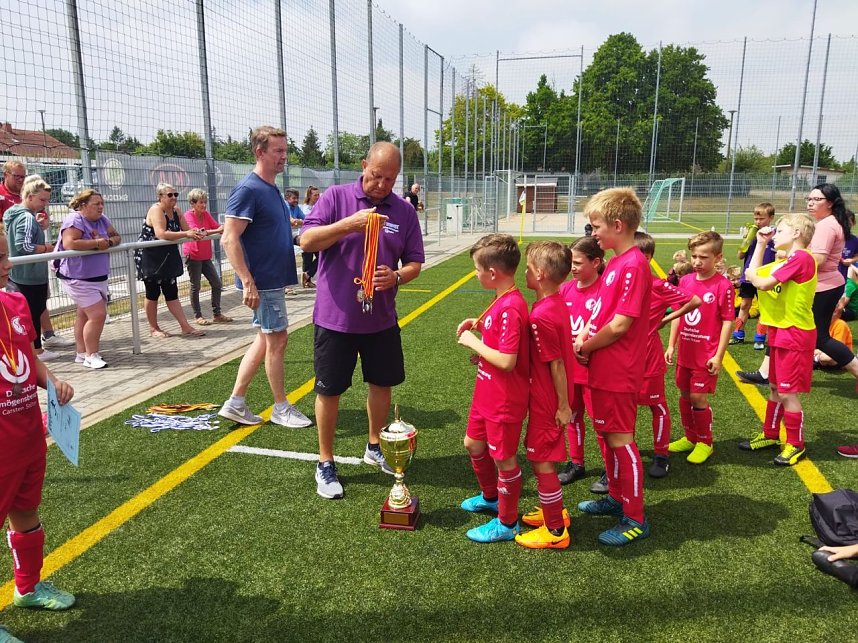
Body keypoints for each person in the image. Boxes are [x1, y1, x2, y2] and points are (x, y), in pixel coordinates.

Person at [300, 141, 425, 500]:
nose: (382, 185)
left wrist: (398, 276)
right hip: (335, 318)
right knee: (329, 390)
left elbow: (415, 261)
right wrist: (349, 224)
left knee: (381, 383)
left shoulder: (403, 211)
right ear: (363, 165)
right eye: (376, 176)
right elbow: (307, 240)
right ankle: (325, 462)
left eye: (390, 179)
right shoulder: (336, 198)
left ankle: (375, 445)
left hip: (381, 319)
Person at [0, 229, 76, 643]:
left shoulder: (14, 301)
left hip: (29, 433)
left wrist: (53, 382)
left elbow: (27, 359)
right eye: (0, 258)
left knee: (26, 513)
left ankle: (27, 588)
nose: (8, 265)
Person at [217, 126, 310, 430]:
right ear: (260, 152)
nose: (285, 157)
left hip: (271, 280)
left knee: (264, 339)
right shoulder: (248, 189)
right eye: (278, 151)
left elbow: (273, 234)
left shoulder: (270, 189)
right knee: (277, 340)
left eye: (285, 150)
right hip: (262, 283)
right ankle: (281, 408)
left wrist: (308, 238)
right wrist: (248, 281)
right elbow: (229, 239)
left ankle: (236, 402)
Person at [574, 187, 652, 546]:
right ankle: (616, 497)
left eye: (595, 227)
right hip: (602, 366)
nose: (592, 234)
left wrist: (586, 346)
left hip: (619, 369)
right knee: (607, 436)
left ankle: (635, 517)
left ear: (617, 225)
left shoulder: (634, 264)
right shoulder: (616, 263)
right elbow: (604, 314)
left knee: (622, 440)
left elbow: (621, 325)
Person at [738, 184, 858, 392]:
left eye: (816, 199)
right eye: (808, 199)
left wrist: (789, 259)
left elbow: (817, 260)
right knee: (782, 323)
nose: (810, 203)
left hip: (822, 287)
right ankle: (767, 371)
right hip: (823, 284)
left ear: (830, 203)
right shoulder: (828, 223)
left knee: (820, 337)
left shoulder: (826, 226)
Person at [456, 234, 529, 543]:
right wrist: (480, 326)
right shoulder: (502, 298)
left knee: (505, 459)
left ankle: (508, 522)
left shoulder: (512, 307)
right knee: (473, 444)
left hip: (504, 398)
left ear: (493, 273)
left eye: (477, 268)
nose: (475, 273)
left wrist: (475, 343)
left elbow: (509, 361)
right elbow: (499, 342)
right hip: (486, 391)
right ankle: (490, 497)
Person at [738, 214, 817, 466]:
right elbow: (755, 271)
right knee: (774, 386)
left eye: (780, 230)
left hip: (795, 333)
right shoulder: (790, 259)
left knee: (786, 392)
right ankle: (771, 435)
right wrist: (760, 244)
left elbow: (760, 282)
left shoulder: (802, 258)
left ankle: (796, 444)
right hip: (781, 331)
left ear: (796, 233)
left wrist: (753, 277)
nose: (775, 235)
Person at [516, 240, 574, 550]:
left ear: (539, 274)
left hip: (549, 399)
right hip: (549, 396)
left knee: (541, 461)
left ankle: (555, 531)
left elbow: (558, 365)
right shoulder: (554, 303)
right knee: (544, 458)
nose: (523, 273)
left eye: (527, 269)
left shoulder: (542, 316)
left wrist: (563, 406)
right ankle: (557, 512)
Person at [634, 232, 700, 478]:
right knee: (624, 408)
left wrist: (664, 319)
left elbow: (694, 301)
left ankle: (661, 455)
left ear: (648, 257)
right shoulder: (620, 282)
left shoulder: (658, 286)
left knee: (656, 406)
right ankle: (623, 454)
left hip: (648, 358)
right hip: (621, 359)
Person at [665, 231, 734, 465]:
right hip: (686, 351)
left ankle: (706, 442)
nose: (697, 262)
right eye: (694, 256)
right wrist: (671, 344)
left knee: (698, 397)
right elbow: (677, 314)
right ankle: (690, 437)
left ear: (718, 257)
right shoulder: (685, 281)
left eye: (703, 257)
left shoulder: (723, 286)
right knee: (684, 393)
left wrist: (718, 355)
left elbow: (727, 321)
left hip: (706, 355)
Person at [55, 189, 121, 369]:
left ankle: (81, 353)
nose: (100, 207)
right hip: (77, 277)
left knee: (84, 315)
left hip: (97, 276)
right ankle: (92, 355)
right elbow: (70, 243)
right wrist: (96, 243)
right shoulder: (75, 220)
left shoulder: (103, 219)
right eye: (96, 204)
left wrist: (108, 242)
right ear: (83, 205)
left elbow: (116, 236)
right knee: (98, 315)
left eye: (101, 203)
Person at [557, 236, 604, 488]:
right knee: (572, 417)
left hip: (595, 370)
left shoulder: (605, 290)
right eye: (570, 263)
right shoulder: (565, 289)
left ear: (596, 262)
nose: (572, 268)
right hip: (569, 369)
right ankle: (576, 463)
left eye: (577, 262)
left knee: (602, 423)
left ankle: (610, 469)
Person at [135, 184, 206, 338]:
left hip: (168, 254)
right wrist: (187, 233)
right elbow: (161, 233)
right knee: (152, 293)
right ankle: (153, 328)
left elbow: (187, 231)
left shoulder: (177, 211)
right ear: (160, 196)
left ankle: (185, 326)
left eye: (175, 194)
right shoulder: (156, 210)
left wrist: (196, 232)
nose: (174, 197)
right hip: (151, 256)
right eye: (170, 195)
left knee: (172, 292)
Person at [3, 177, 57, 362]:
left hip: (22, 274)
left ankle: (34, 349)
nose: (45, 204)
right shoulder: (25, 217)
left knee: (32, 312)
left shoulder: (16, 213)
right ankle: (36, 351)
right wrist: (46, 248)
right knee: (32, 313)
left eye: (47, 200)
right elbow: (23, 246)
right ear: (30, 197)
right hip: (28, 275)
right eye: (42, 200)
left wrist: (39, 227)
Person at [183, 189, 231, 325]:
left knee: (217, 283)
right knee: (195, 286)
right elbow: (197, 233)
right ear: (192, 203)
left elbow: (216, 227)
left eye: (205, 202)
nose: (204, 205)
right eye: (200, 203)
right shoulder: (188, 215)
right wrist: (215, 230)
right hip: (193, 255)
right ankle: (197, 316)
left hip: (205, 256)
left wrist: (215, 229)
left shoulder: (206, 214)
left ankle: (217, 314)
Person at [731, 203, 775, 348]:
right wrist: (747, 241)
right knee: (744, 305)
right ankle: (738, 334)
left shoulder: (775, 235)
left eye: (761, 218)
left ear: (771, 218)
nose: (757, 222)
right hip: (749, 277)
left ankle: (760, 338)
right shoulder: (751, 234)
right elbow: (739, 255)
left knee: (765, 308)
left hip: (765, 278)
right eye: (755, 218)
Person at [283, 188, 303, 293]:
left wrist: (299, 221)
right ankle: (285, 286)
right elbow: (291, 221)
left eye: (297, 198)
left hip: (287, 236)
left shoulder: (296, 208)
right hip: (278, 237)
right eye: (294, 198)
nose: (296, 200)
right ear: (287, 198)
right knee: (284, 261)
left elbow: (307, 219)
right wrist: (299, 221)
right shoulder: (285, 205)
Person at [299, 186, 320, 288]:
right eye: (315, 195)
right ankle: (307, 280)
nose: (317, 197)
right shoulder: (306, 208)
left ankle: (307, 275)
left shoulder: (319, 205)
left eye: (318, 194)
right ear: (309, 196)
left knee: (320, 257)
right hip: (307, 236)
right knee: (307, 259)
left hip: (316, 236)